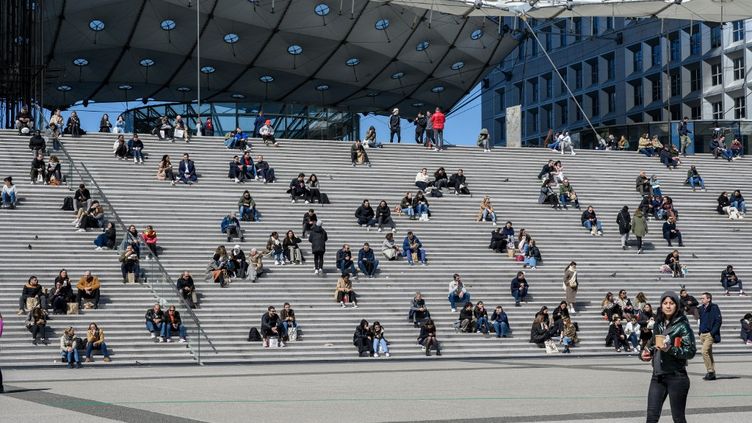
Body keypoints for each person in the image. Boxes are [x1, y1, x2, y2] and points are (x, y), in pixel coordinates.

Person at [640, 291, 696, 423]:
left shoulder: (683, 326)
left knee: (678, 418)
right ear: (661, 306)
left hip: (677, 377)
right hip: (658, 376)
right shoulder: (658, 324)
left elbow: (690, 351)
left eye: (671, 303)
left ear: (676, 305)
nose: (668, 306)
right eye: (665, 303)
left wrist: (670, 349)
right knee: (651, 417)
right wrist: (645, 353)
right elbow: (653, 345)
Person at [698, 292, 722, 381]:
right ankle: (713, 373)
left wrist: (712, 333)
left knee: (704, 351)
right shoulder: (701, 308)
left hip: (709, 334)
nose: (701, 300)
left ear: (709, 299)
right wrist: (700, 332)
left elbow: (718, 321)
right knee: (709, 353)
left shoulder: (714, 307)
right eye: (701, 298)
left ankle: (710, 371)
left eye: (703, 298)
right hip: (702, 334)